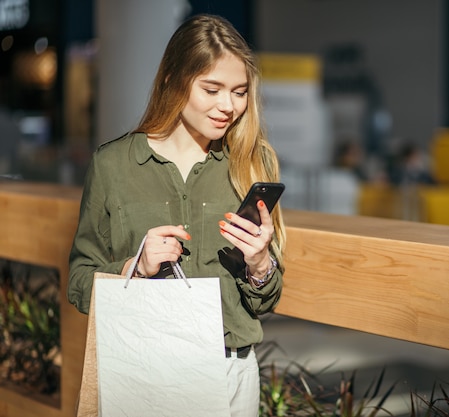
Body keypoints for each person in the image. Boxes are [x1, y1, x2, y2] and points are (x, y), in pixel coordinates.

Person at [67, 14, 286, 416]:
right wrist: (136, 265)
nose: (228, 106)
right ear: (173, 80)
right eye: (212, 89)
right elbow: (80, 281)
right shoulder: (113, 164)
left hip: (230, 373)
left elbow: (268, 297)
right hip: (144, 372)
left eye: (239, 92)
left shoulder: (252, 165)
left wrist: (260, 263)